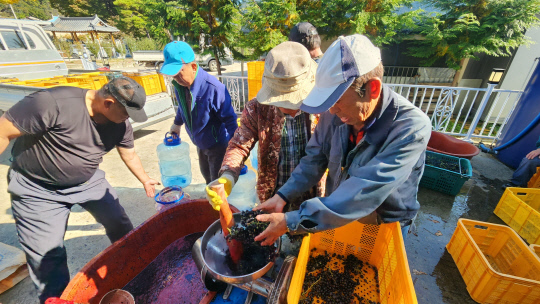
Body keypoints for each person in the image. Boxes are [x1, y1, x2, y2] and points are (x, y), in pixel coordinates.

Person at [253, 34, 432, 246]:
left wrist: (292, 220)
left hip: (383, 222)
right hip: (335, 214)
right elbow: (314, 158)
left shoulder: (411, 127)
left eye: (337, 100)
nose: (331, 110)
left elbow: (364, 190)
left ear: (372, 89)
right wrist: (283, 195)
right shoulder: (335, 112)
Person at [0, 77, 159, 303]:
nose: (127, 120)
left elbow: (129, 153)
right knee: (49, 259)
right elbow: (2, 131)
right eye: (126, 113)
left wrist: (145, 180)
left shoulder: (120, 124)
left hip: (87, 180)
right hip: (37, 189)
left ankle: (135, 269)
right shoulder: (51, 103)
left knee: (120, 224)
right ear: (108, 103)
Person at [205, 41, 324, 212]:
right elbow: (239, 144)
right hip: (273, 197)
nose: (288, 107)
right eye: (282, 99)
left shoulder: (322, 106)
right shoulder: (257, 109)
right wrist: (228, 175)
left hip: (314, 196)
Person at [159, 41, 238, 184]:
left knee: (218, 183)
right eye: (173, 75)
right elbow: (183, 108)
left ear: (193, 66)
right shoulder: (180, 85)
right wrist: (177, 124)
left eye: (178, 74)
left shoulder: (214, 88)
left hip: (217, 146)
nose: (175, 79)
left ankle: (221, 206)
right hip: (200, 143)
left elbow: (230, 120)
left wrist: (236, 152)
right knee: (207, 177)